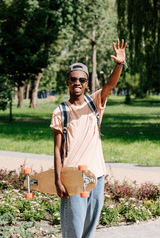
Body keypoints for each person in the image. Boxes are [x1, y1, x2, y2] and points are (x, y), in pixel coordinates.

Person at [50, 39, 127, 238]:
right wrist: (58, 179)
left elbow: (110, 84)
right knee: (74, 230)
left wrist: (119, 64)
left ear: (86, 83)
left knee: (90, 229)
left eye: (82, 80)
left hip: (97, 175)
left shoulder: (95, 103)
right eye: (73, 79)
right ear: (68, 81)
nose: (77, 83)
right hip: (73, 177)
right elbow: (57, 150)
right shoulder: (60, 111)